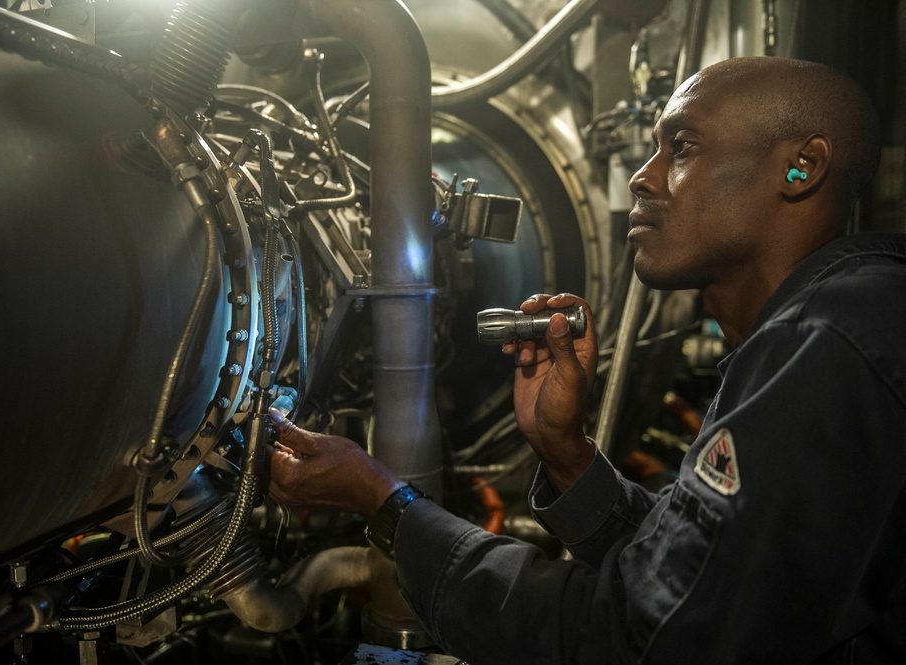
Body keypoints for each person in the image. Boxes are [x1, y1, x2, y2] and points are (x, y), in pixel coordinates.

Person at [267, 56, 906, 663]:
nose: (642, 177)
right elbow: (698, 575)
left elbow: (633, 639)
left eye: (681, 147)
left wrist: (386, 500)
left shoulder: (830, 347)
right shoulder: (832, 325)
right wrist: (565, 451)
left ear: (802, 168)